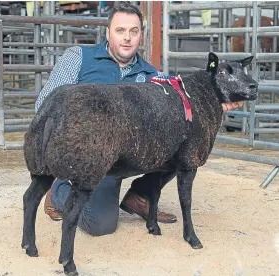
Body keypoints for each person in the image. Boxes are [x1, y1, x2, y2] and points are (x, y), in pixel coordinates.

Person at [36, 2, 243, 237]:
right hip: (90, 155)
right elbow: (45, 104)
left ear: (141, 36)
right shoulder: (78, 58)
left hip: (124, 155)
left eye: (133, 32)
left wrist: (215, 104)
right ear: (108, 33)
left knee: (182, 140)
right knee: (100, 224)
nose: (127, 38)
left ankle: (141, 194)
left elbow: (185, 105)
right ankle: (59, 191)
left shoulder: (151, 76)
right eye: (120, 30)